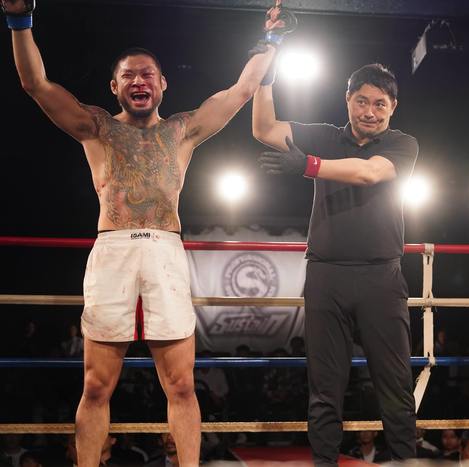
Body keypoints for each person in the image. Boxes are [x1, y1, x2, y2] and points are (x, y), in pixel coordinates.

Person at [2, 1, 293, 465]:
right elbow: (35, 84)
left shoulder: (183, 130)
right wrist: (20, 20)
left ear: (162, 83)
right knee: (95, 385)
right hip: (113, 248)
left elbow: (241, 90)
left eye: (147, 74)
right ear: (114, 86)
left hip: (165, 249)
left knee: (181, 384)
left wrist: (272, 39)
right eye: (129, 75)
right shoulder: (96, 127)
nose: (139, 81)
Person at [252, 63, 418, 466]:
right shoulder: (326, 137)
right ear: (347, 100)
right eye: (361, 101)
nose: (370, 112)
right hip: (326, 274)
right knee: (324, 389)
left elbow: (369, 173)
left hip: (381, 276)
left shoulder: (403, 144)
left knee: (396, 386)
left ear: (393, 107)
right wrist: (265, 78)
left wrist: (309, 165)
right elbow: (264, 129)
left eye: (379, 104)